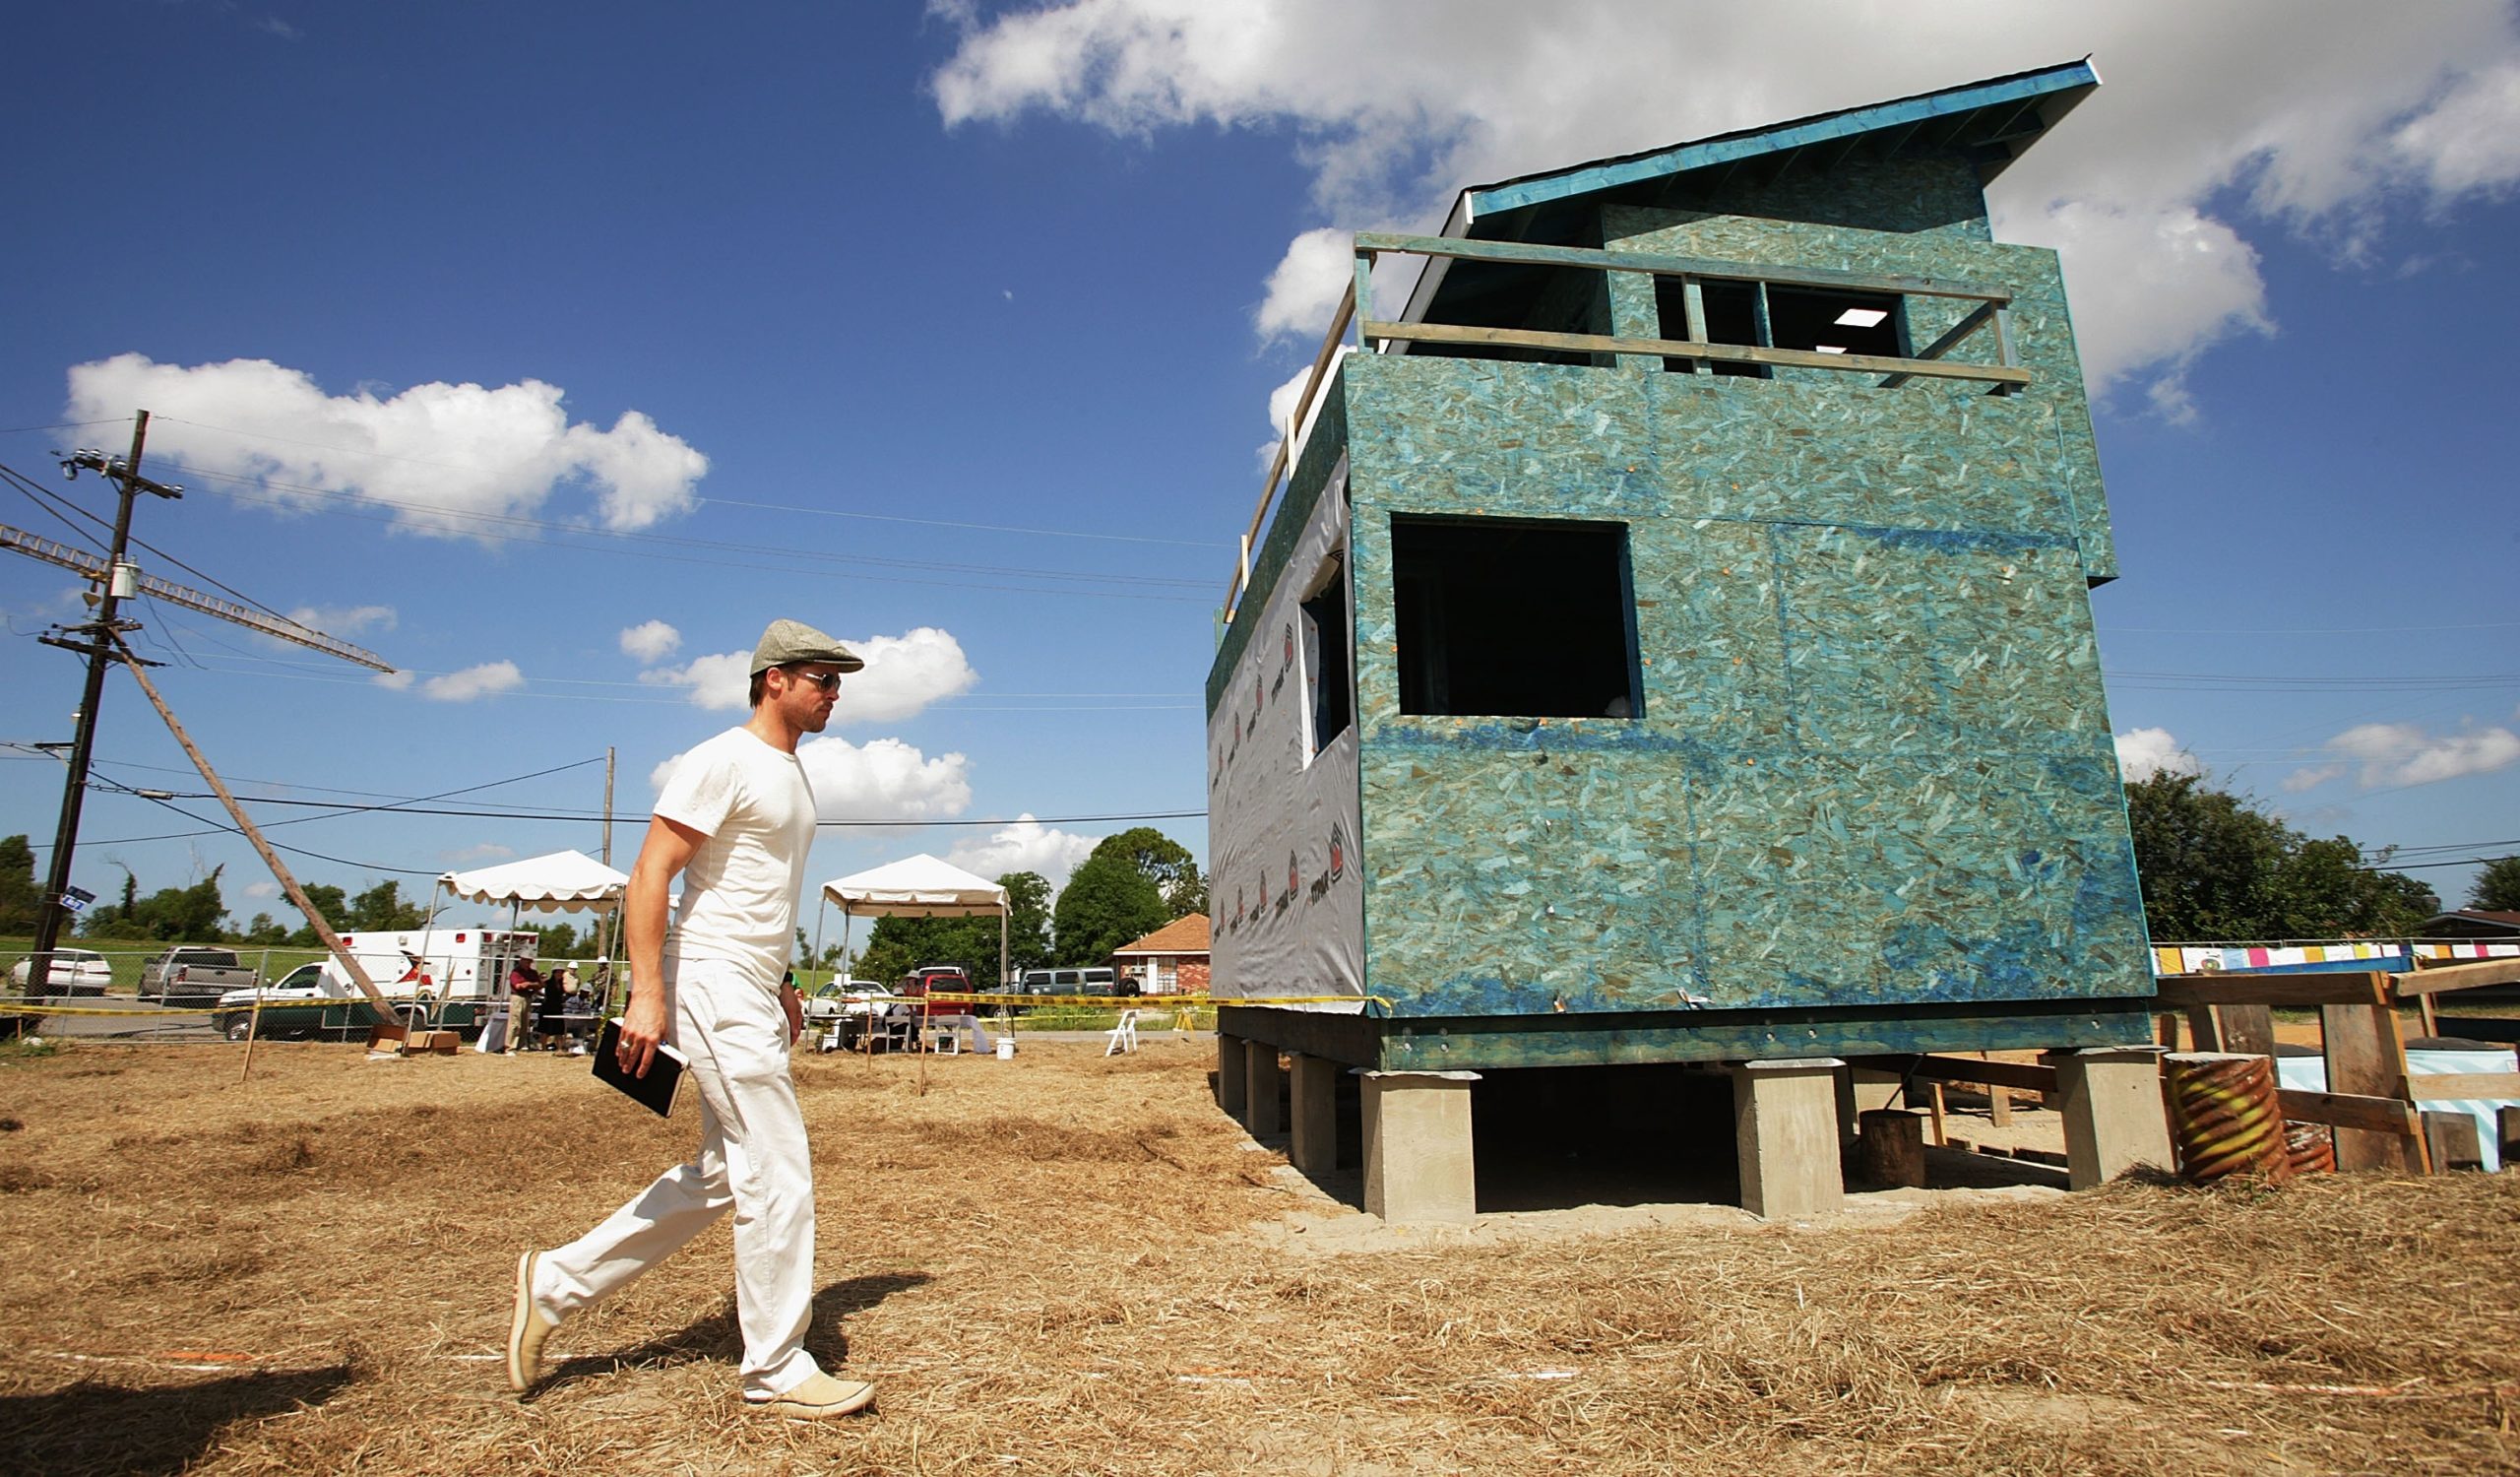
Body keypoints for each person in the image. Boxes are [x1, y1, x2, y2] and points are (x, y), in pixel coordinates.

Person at [509, 618, 873, 1420]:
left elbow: (755, 888)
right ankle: (776, 1366)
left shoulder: (788, 773)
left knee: (723, 1175)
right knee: (776, 1165)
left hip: (747, 982)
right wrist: (647, 994)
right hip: (707, 980)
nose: (834, 693)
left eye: (838, 681)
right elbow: (650, 875)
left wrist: (780, 978)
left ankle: (555, 1283)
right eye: (822, 678)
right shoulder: (722, 759)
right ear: (773, 678)